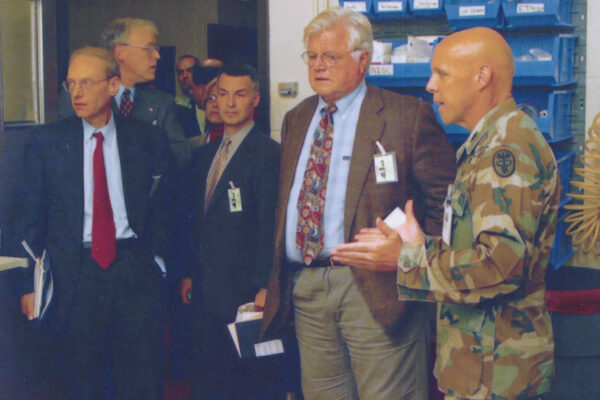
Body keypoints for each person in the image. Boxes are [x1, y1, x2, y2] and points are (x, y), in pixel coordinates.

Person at [332, 27, 559, 400]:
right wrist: (420, 244)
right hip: (477, 365)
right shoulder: (485, 144)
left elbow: (501, 269)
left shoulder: (508, 151)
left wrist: (406, 260)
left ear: (481, 77)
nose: (430, 85)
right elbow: (480, 248)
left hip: (496, 373)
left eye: (442, 74)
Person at [260, 7, 456, 400]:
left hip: (376, 288)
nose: (318, 66)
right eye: (312, 56)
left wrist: (412, 261)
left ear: (363, 59)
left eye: (330, 56)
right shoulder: (297, 119)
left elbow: (444, 204)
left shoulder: (406, 115)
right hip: (306, 284)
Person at [19, 46, 170, 400]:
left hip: (133, 267)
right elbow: (29, 214)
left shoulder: (146, 139)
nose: (77, 92)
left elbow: (165, 208)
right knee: (81, 379)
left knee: (140, 377)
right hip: (76, 270)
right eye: (71, 83)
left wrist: (158, 262)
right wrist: (29, 283)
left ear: (114, 84)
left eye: (87, 82)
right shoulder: (47, 142)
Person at [178, 63, 280, 399]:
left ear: (256, 99)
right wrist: (189, 273)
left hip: (245, 292)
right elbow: (195, 221)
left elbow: (270, 225)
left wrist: (265, 285)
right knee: (209, 379)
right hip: (206, 288)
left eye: (240, 94)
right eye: (222, 94)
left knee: (248, 382)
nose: (230, 103)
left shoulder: (268, 155)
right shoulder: (204, 154)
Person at [58, 17, 190, 170]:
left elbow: (180, 158)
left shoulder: (161, 103)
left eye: (156, 49)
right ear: (120, 51)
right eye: (149, 48)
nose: (157, 55)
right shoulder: (77, 97)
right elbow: (67, 157)